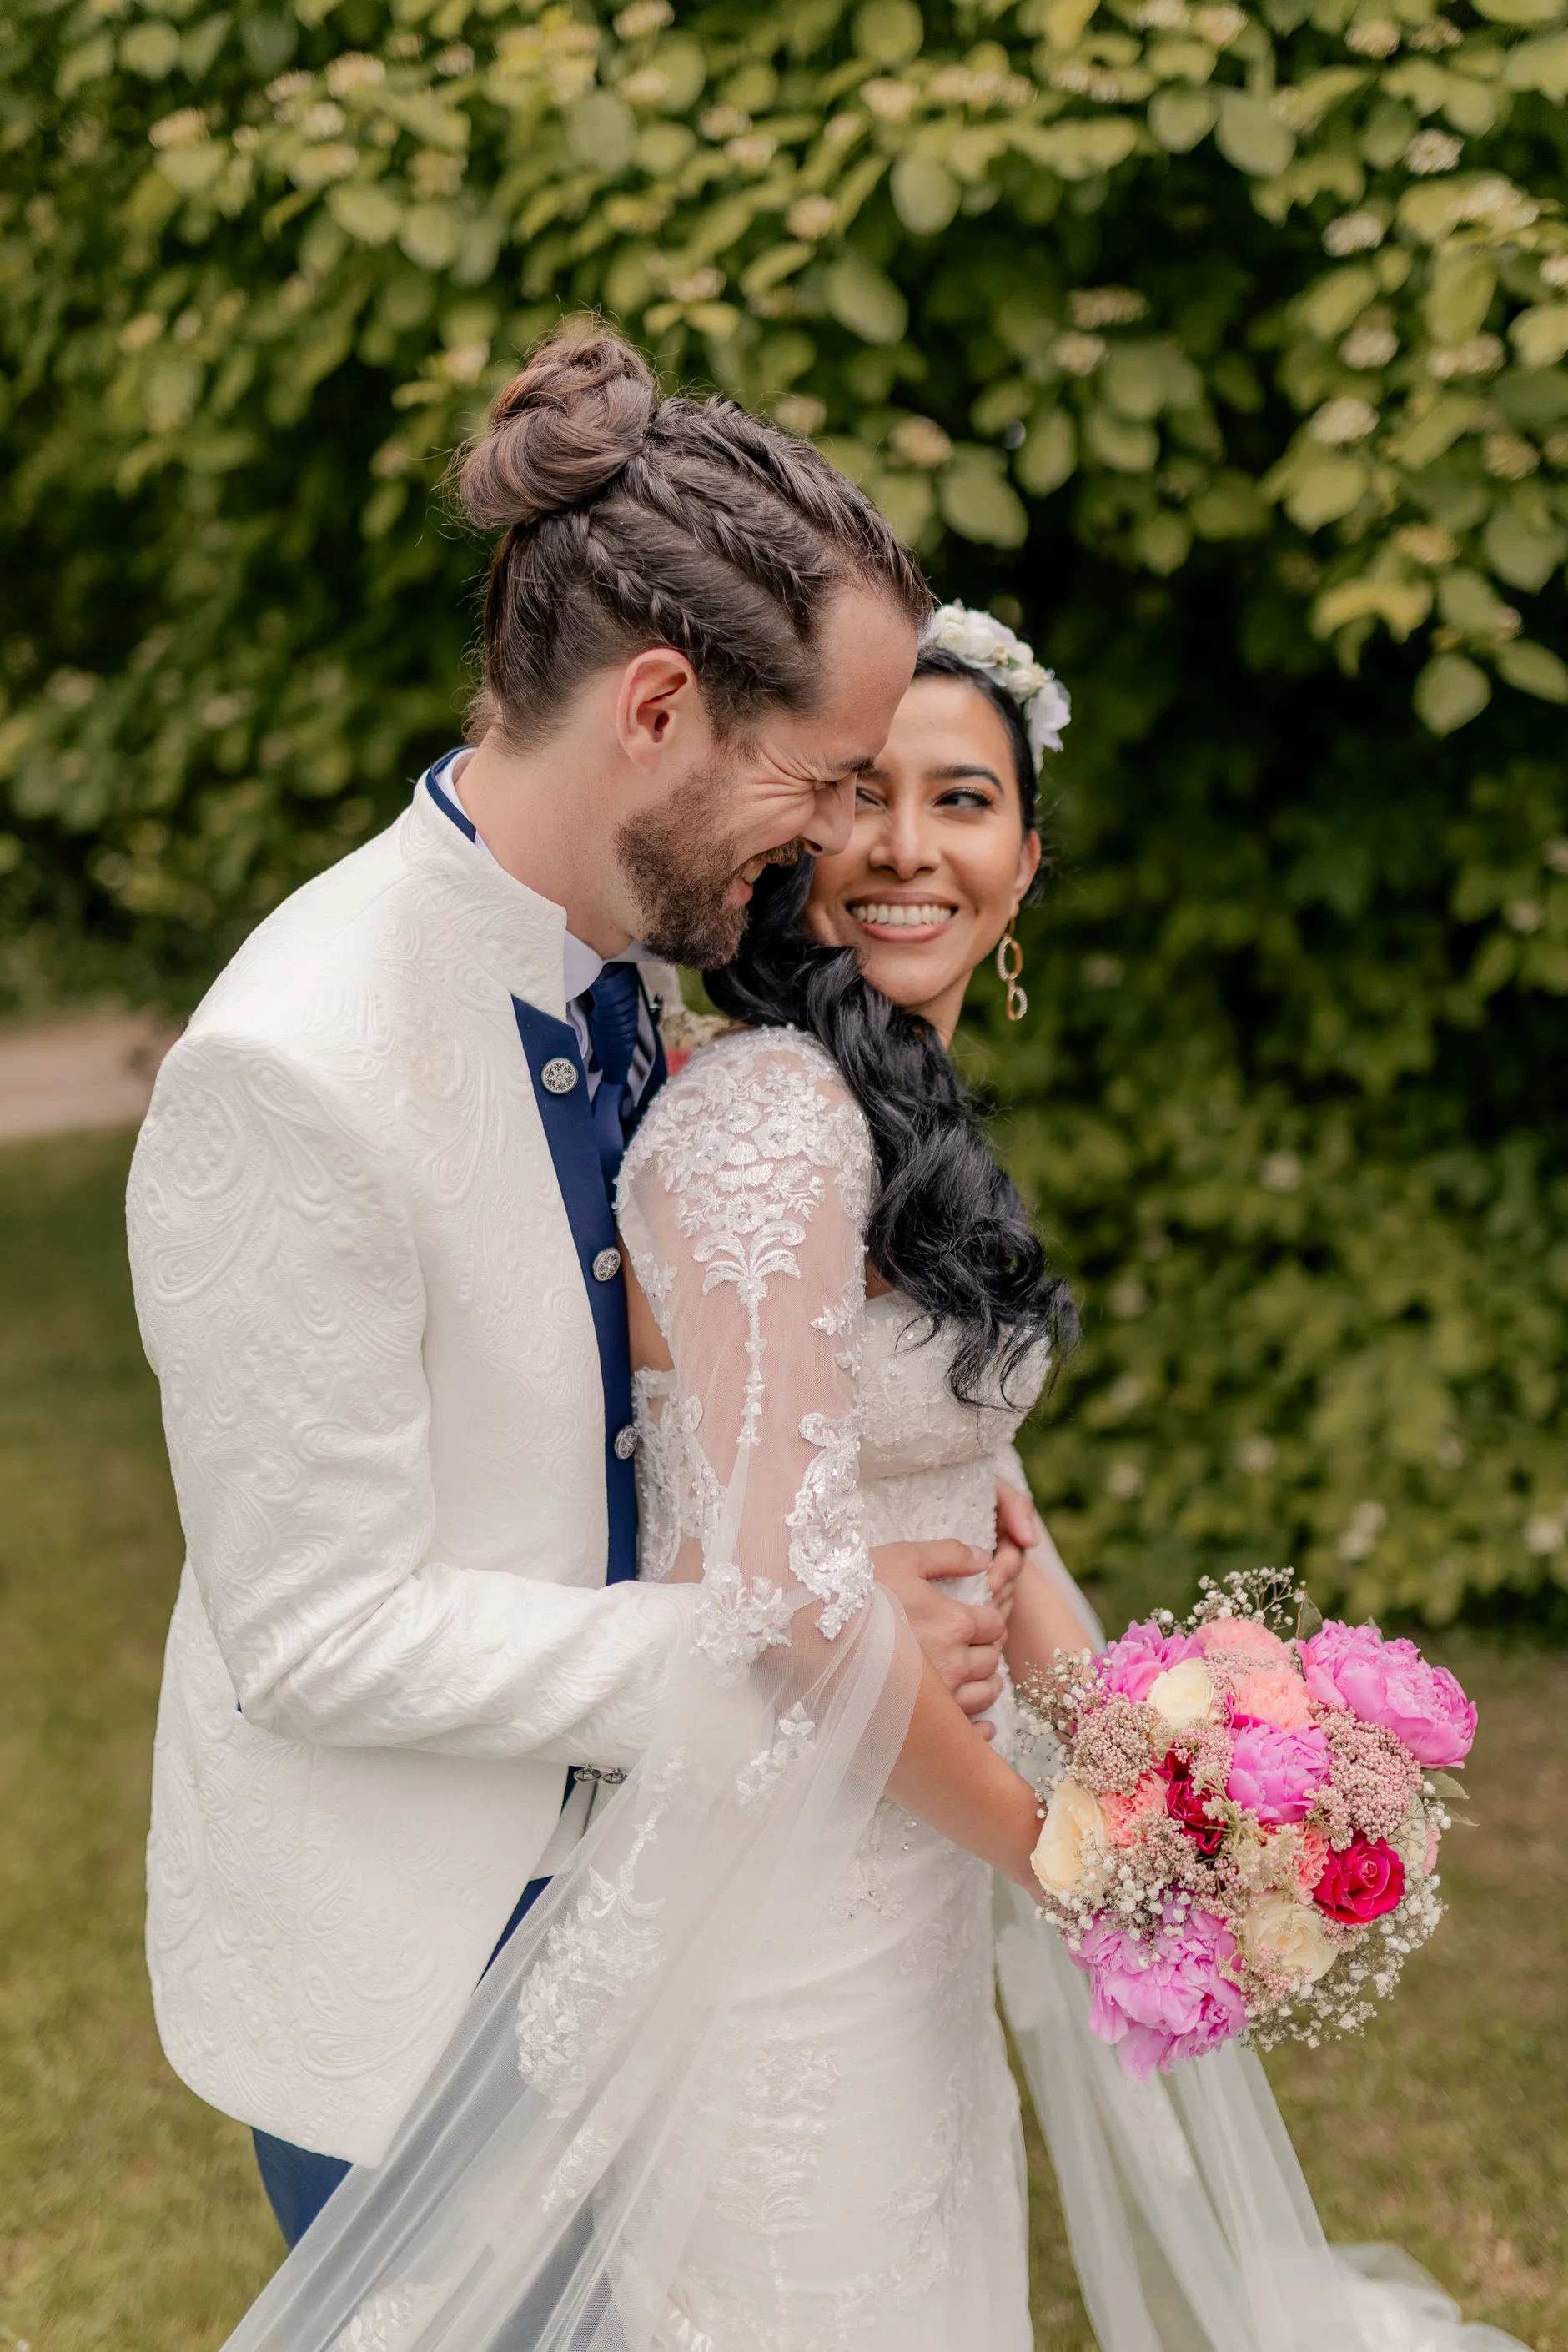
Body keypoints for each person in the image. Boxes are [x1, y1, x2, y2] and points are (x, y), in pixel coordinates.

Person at [209, 591, 1530, 2352]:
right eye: (861, 798)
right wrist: (1063, 1860)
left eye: (963, 801)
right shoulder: (771, 1119)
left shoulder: (901, 1118)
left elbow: (993, 1510)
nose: (908, 849)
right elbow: (799, 1603)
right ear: (789, 836)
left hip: (903, 1850)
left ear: (1029, 859)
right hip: (780, 1877)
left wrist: (1163, 1780)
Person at [124, 325, 1034, 2252]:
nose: (836, 838)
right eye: (816, 778)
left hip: (678, 1918)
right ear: (653, 709)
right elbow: (315, 1633)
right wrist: (784, 1625)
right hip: (423, 1960)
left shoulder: (631, 949)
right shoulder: (292, 1066)